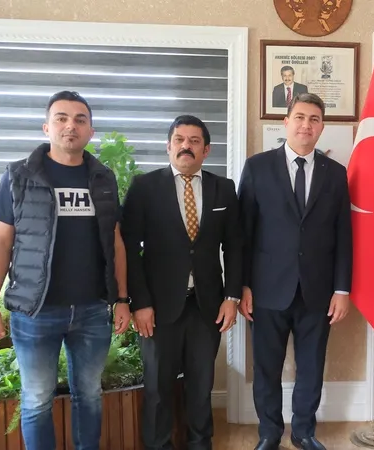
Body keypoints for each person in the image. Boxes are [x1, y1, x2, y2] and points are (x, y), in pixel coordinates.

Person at [0, 90, 132, 450]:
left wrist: (123, 299)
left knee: (89, 395)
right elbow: (0, 242)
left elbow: (115, 242)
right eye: (61, 118)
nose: (70, 126)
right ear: (46, 127)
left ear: (90, 131)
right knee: (36, 400)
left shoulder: (103, 178)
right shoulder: (18, 177)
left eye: (80, 119)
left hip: (92, 309)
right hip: (35, 311)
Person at [121, 115, 243, 450]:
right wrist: (139, 303)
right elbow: (128, 248)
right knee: (158, 389)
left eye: (194, 141)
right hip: (157, 308)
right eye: (179, 140)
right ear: (168, 146)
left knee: (201, 388)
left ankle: (200, 445)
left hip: (207, 306)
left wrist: (231, 296)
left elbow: (235, 246)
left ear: (206, 150)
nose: (186, 146)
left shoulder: (224, 188)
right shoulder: (145, 187)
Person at [238, 93, 352, 450]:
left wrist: (342, 289)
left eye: (314, 119)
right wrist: (241, 285)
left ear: (322, 126)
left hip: (317, 291)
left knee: (311, 368)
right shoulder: (257, 167)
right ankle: (269, 433)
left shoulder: (336, 173)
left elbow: (344, 235)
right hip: (266, 290)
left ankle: (304, 431)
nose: (306, 125)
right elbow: (242, 234)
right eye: (300, 117)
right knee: (266, 369)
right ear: (286, 122)